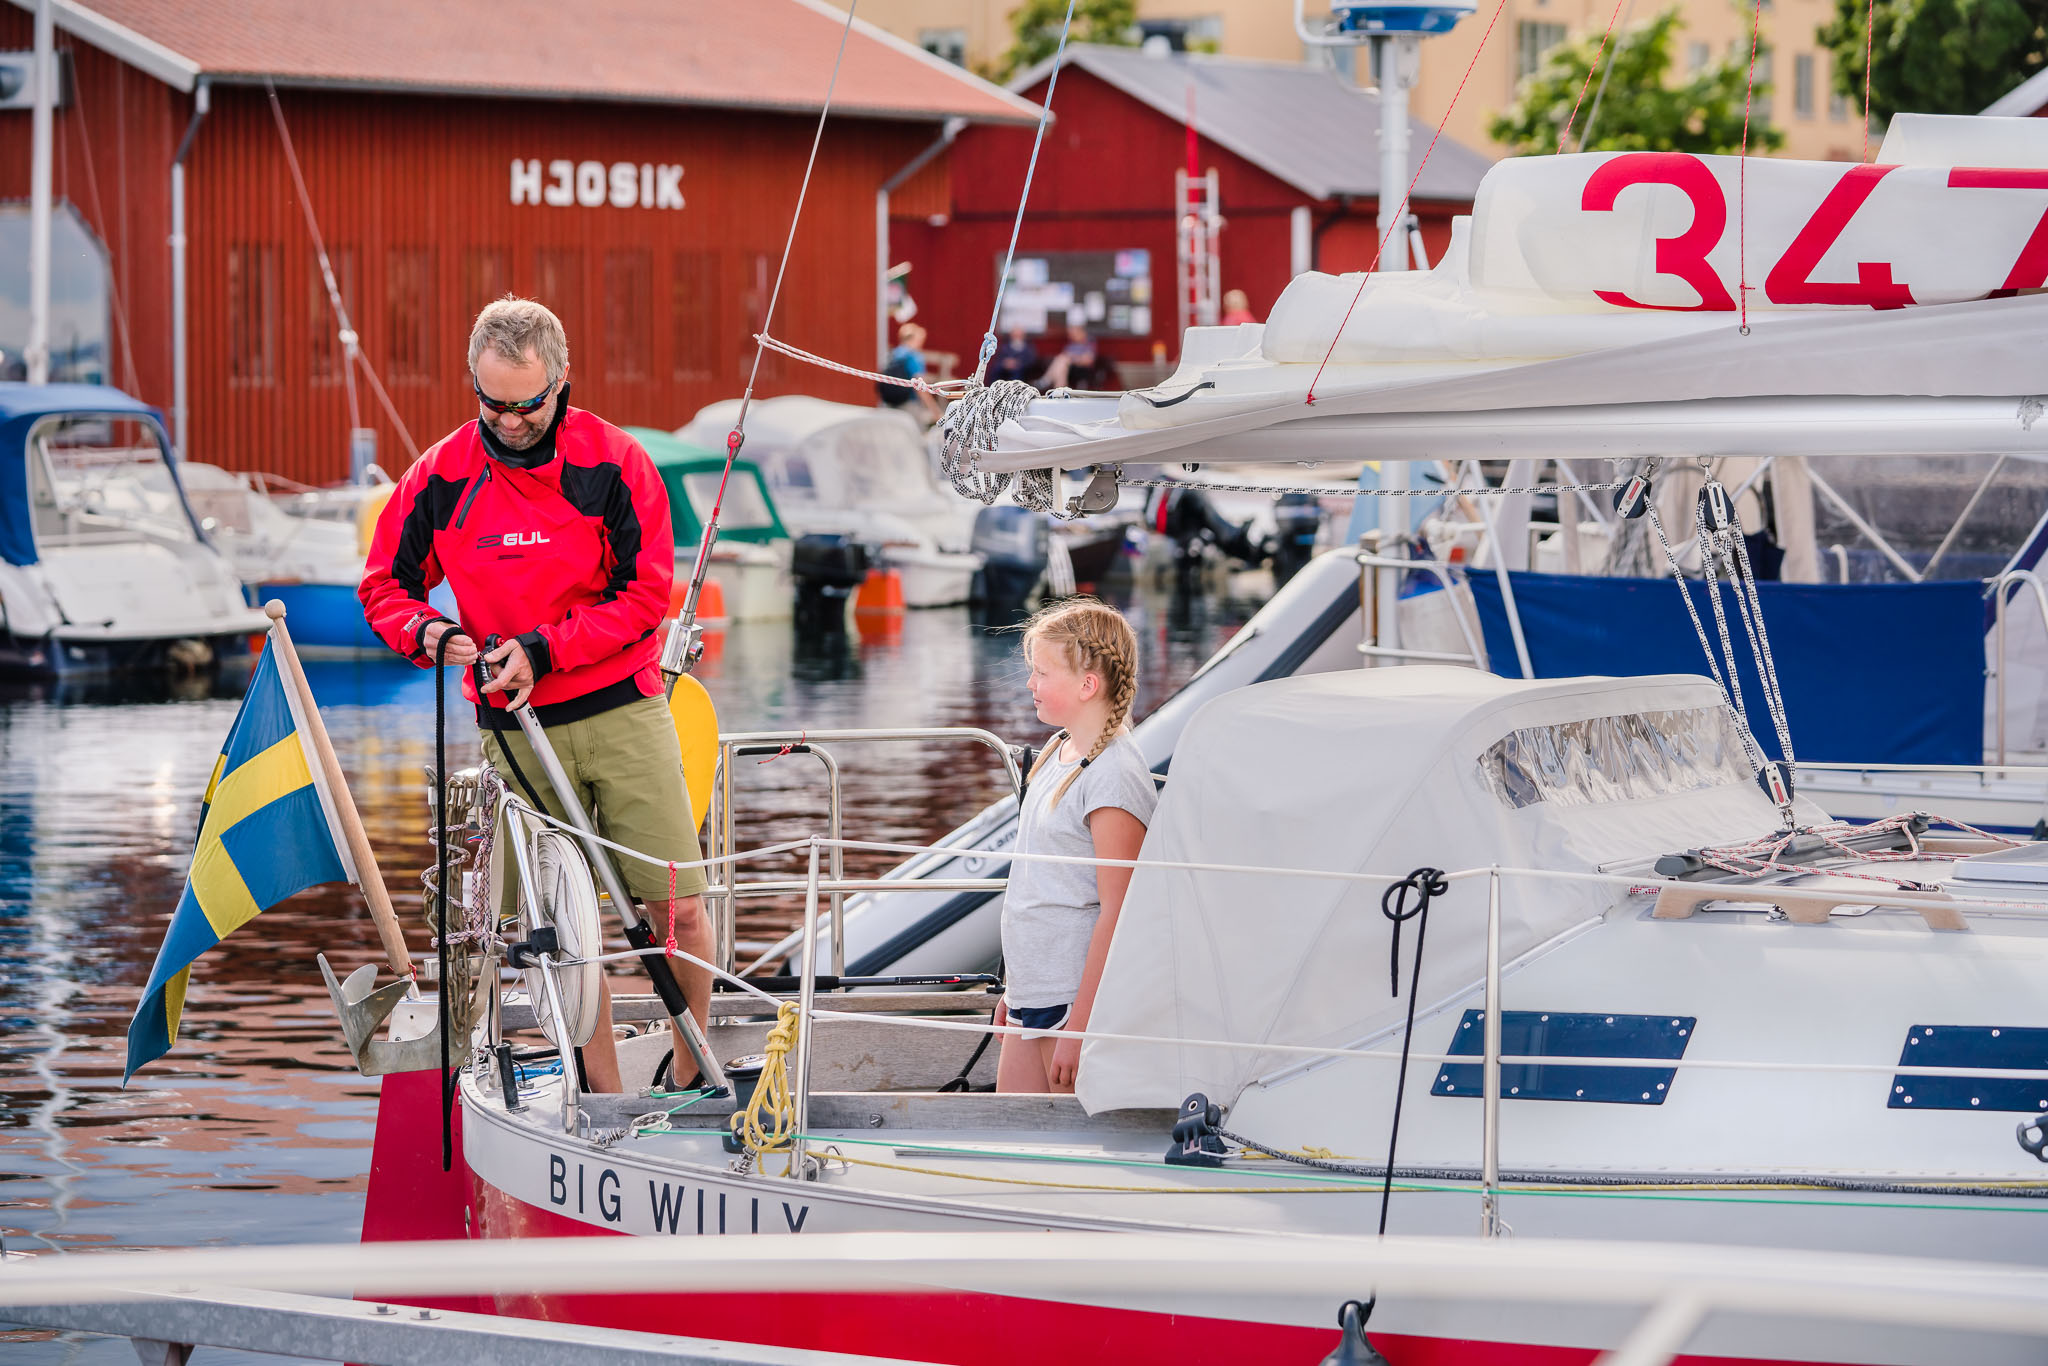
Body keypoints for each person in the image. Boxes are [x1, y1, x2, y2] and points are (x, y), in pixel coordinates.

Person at [358, 296, 713, 1095]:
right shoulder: (441, 476)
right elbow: (384, 588)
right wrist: (433, 635)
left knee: (678, 909)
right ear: (472, 384)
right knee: (564, 920)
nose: (510, 421)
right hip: (516, 731)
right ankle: (605, 1090)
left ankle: (690, 1071)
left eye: (528, 404)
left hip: (622, 708)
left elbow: (644, 599)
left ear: (562, 382)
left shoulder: (616, 464)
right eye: (492, 403)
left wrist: (544, 649)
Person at [996, 599, 1157, 1093]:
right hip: (1031, 993)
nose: (1031, 684)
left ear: (1088, 685)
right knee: (1007, 1141)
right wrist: (1014, 989)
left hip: (1069, 1003)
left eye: (1042, 672)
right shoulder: (1058, 751)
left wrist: (1081, 1028)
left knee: (1062, 1151)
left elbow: (1118, 909)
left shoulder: (1113, 776)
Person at [878, 322, 942, 423]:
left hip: (888, 403)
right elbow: (921, 387)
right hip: (908, 404)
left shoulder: (893, 354)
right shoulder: (913, 356)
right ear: (914, 339)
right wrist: (935, 411)